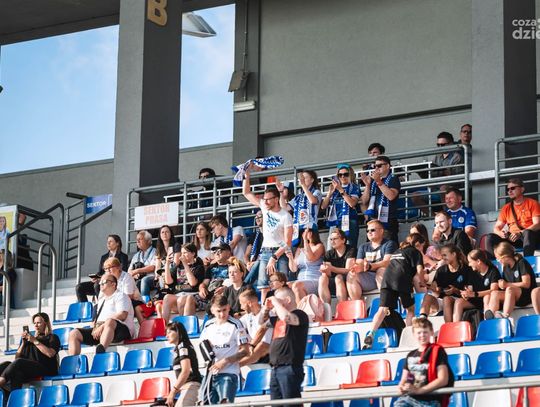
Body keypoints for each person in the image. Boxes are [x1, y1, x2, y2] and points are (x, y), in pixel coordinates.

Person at [365, 233, 426, 347]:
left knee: (382, 309)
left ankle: (371, 333)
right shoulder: (415, 252)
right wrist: (422, 282)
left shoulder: (398, 251)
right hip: (402, 279)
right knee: (410, 309)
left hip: (387, 279)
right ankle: (407, 336)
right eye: (423, 246)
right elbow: (420, 270)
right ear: (418, 244)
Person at [243, 169, 293, 286]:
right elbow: (246, 193)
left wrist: (275, 257)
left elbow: (288, 242)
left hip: (280, 253)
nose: (265, 202)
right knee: (263, 284)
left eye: (268, 199)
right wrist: (246, 176)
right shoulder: (265, 207)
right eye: (264, 199)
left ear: (276, 199)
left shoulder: (285, 216)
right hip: (265, 251)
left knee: (282, 282)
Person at [261, 286, 309, 406]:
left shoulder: (300, 314)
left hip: (290, 367)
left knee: (291, 403)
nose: (274, 303)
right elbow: (261, 322)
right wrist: (266, 309)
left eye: (278, 299)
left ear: (287, 300)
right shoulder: (278, 319)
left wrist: (276, 302)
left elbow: (287, 318)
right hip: (276, 367)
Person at [198, 294, 249, 405]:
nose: (222, 314)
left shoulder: (236, 324)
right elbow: (202, 345)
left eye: (224, 310)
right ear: (212, 310)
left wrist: (225, 361)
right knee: (203, 403)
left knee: (225, 403)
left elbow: (245, 351)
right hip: (210, 373)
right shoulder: (208, 325)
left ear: (229, 307)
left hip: (229, 373)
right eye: (218, 311)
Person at [68, 273, 134, 355]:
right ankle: (73, 361)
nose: (101, 284)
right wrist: (96, 326)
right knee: (74, 333)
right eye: (100, 282)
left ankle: (100, 351)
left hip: (120, 330)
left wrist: (103, 326)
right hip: (102, 329)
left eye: (104, 282)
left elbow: (122, 315)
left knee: (110, 321)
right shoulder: (102, 299)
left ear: (113, 284)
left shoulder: (121, 296)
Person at [394, 318, 452, 407]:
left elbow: (443, 380)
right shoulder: (410, 355)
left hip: (430, 400)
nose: (422, 335)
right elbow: (405, 379)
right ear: (414, 334)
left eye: (425, 332)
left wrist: (420, 391)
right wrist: (402, 387)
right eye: (419, 333)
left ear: (431, 332)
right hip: (410, 399)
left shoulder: (438, 351)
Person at [0, 313, 59, 396]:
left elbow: (50, 354)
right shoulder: (29, 339)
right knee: (9, 367)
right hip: (29, 368)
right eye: (34, 323)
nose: (36, 325)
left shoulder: (52, 337)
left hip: (45, 368)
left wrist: (35, 341)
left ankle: (1, 381)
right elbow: (16, 358)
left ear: (45, 323)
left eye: (38, 323)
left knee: (19, 363)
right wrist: (23, 344)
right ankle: (12, 399)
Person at [485, 178, 540, 258]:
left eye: (513, 188)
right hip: (512, 238)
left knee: (528, 232)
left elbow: (537, 224)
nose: (509, 191)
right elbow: (497, 227)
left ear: (522, 189)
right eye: (508, 189)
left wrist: (520, 233)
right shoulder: (506, 208)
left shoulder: (532, 203)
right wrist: (501, 233)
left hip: (529, 237)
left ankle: (527, 262)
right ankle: (491, 264)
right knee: (490, 237)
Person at [419, 244, 471, 322]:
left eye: (445, 255)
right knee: (428, 296)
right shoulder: (441, 270)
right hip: (443, 300)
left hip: (460, 299)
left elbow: (468, 294)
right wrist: (431, 288)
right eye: (442, 255)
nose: (442, 258)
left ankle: (448, 326)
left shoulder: (466, 269)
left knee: (447, 299)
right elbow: (437, 293)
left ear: (454, 254)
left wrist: (455, 290)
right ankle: (422, 321)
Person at [484, 242, 537, 319]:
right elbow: (506, 285)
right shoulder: (506, 267)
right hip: (513, 295)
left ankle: (504, 316)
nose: (497, 260)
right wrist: (502, 285)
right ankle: (490, 318)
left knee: (510, 289)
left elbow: (526, 284)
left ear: (505, 256)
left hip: (527, 295)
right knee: (495, 293)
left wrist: (507, 285)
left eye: (498, 258)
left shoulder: (521, 262)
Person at [348, 220, 397, 300]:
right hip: (369, 278)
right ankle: (357, 305)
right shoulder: (363, 247)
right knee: (351, 274)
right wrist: (358, 267)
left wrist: (370, 266)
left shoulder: (390, 244)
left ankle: (385, 303)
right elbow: (359, 263)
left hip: (386, 276)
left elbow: (387, 262)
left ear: (381, 231)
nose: (369, 232)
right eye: (367, 231)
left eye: (372, 230)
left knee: (381, 270)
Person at [76, 234, 130, 303]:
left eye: (110, 241)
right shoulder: (104, 257)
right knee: (79, 287)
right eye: (107, 242)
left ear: (117, 243)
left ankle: (101, 305)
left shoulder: (123, 256)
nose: (108, 243)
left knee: (97, 285)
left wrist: (104, 278)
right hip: (101, 280)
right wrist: (96, 277)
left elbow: (123, 271)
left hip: (113, 281)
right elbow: (100, 272)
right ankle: (84, 308)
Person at [360, 155, 401, 243]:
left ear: (387, 166)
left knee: (389, 247)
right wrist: (367, 185)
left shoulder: (393, 179)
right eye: (375, 166)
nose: (376, 168)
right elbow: (364, 201)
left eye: (379, 166)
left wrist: (379, 181)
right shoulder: (373, 181)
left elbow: (391, 196)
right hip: (373, 221)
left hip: (388, 221)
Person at [160, 243, 205, 321]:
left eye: (185, 253)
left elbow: (193, 283)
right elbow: (169, 282)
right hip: (179, 294)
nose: (182, 255)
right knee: (167, 297)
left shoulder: (198, 267)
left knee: (181, 300)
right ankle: (163, 325)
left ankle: (182, 325)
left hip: (192, 295)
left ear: (193, 254)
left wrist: (185, 264)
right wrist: (167, 264)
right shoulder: (178, 267)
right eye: (182, 253)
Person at [184, 243, 233, 316]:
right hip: (209, 296)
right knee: (190, 298)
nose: (217, 253)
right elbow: (205, 283)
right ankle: (187, 322)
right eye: (214, 252)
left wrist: (225, 288)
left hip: (224, 296)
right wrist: (202, 288)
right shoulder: (211, 267)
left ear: (228, 253)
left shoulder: (233, 267)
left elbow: (238, 283)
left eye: (219, 251)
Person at [278, 169, 322, 248]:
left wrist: (303, 185)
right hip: (297, 229)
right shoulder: (298, 196)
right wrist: (281, 193)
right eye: (301, 178)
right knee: (298, 252)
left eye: (305, 178)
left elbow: (312, 201)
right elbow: (284, 208)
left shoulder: (316, 192)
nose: (302, 180)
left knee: (309, 250)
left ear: (312, 180)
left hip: (309, 227)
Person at [451, 249, 499, 322]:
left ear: (478, 261)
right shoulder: (472, 272)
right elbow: (470, 289)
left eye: (470, 262)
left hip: (488, 300)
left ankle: (487, 323)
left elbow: (494, 290)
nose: (469, 264)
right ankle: (456, 326)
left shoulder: (493, 271)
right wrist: (466, 294)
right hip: (476, 300)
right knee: (458, 302)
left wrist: (475, 294)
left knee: (486, 297)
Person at [321, 163, 360, 249]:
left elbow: (352, 203)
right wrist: (329, 193)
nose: (343, 177)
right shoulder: (334, 188)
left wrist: (341, 190)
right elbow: (323, 206)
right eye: (340, 175)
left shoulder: (354, 187)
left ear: (350, 175)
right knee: (330, 248)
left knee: (349, 247)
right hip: (335, 221)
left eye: (345, 174)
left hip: (349, 220)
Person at [165, 322, 202, 407]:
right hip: (186, 387)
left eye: (169, 332)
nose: (167, 336)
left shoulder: (183, 347)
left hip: (191, 385)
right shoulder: (180, 347)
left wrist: (173, 392)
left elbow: (185, 371)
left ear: (178, 332)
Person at [318, 228, 356, 304]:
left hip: (349, 281)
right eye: (331, 239)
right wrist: (325, 270)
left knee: (338, 277)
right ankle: (326, 307)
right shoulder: (329, 253)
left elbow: (348, 270)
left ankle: (342, 306)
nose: (332, 241)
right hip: (334, 282)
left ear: (343, 240)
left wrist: (332, 268)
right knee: (322, 278)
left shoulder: (351, 250)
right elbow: (328, 274)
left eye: (335, 239)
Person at [103, 257, 146, 325]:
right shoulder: (107, 279)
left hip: (133, 301)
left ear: (118, 267)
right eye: (106, 269)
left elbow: (129, 296)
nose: (108, 270)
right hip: (117, 301)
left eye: (110, 267)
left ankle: (143, 327)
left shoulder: (127, 277)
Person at [286, 229, 324, 304]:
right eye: (303, 232)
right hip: (301, 279)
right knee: (284, 286)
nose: (304, 233)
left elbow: (311, 258)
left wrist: (305, 241)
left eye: (307, 231)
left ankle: (301, 310)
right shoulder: (299, 249)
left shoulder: (319, 246)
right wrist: (290, 257)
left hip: (314, 279)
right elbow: (294, 269)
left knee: (297, 285)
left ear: (312, 233)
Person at [239, 289, 273, 366]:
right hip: (255, 347)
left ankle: (233, 367)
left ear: (249, 303)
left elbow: (262, 332)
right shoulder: (248, 316)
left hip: (267, 350)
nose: (241, 307)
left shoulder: (267, 313)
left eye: (242, 304)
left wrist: (251, 345)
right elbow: (236, 327)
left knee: (262, 344)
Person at [128, 230, 157, 297]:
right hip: (138, 279)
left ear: (148, 241)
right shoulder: (136, 255)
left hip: (151, 277)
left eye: (140, 239)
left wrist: (137, 271)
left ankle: (145, 302)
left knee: (144, 280)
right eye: (137, 240)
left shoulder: (155, 252)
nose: (137, 241)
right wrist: (134, 275)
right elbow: (129, 271)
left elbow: (153, 267)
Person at [243, 211, 264, 285]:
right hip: (252, 265)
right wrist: (248, 263)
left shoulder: (270, 234)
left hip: (264, 263)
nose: (257, 218)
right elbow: (246, 255)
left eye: (260, 216)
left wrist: (254, 263)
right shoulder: (254, 235)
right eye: (256, 217)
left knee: (258, 263)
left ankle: (245, 285)